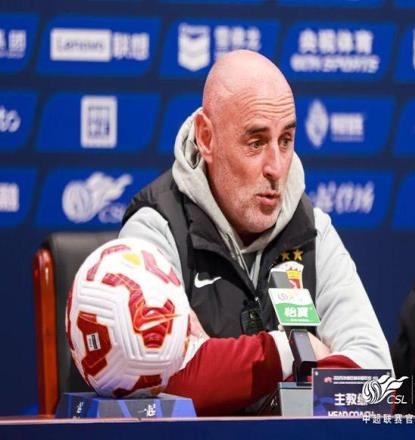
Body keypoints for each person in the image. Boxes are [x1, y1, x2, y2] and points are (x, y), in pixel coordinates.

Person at [120, 50, 392, 415]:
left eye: (286, 140)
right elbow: (152, 382)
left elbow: (376, 387)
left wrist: (249, 387)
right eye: (256, 142)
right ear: (207, 138)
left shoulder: (312, 231)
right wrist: (290, 355)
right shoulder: (154, 231)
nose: (276, 168)